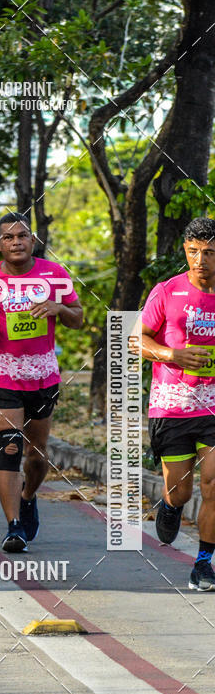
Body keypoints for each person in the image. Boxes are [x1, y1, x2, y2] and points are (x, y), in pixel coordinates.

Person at [0, 212, 83, 553]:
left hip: (42, 373)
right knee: (11, 447)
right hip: (2, 372)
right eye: (8, 237)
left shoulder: (54, 274)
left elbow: (78, 318)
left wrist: (58, 308)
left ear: (33, 240)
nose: (16, 242)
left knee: (37, 453)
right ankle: (14, 526)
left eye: (22, 236)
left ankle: (28, 495)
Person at [141, 216, 215, 592]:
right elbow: (137, 340)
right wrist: (174, 355)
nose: (201, 260)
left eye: (209, 252)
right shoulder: (167, 291)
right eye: (194, 251)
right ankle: (171, 506)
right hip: (172, 406)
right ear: (185, 250)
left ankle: (203, 563)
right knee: (181, 491)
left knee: (213, 483)